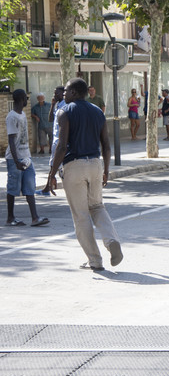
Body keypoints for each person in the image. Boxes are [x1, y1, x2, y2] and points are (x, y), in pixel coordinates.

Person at [44, 78, 123, 271]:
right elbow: (106, 145)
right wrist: (106, 170)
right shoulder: (98, 112)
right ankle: (112, 240)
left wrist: (52, 173)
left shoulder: (64, 112)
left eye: (66, 91)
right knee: (97, 206)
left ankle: (95, 260)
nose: (63, 94)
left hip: (74, 166)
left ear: (74, 92)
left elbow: (62, 146)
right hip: (95, 164)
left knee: (81, 215)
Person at [5, 89, 49, 227]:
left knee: (30, 186)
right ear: (21, 99)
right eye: (26, 98)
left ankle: (35, 218)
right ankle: (10, 218)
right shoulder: (11, 117)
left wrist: (26, 157)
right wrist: (16, 161)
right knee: (13, 188)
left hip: (26, 157)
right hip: (14, 159)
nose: (27, 101)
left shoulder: (23, 114)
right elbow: (11, 140)